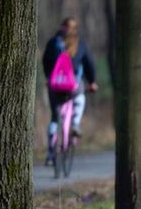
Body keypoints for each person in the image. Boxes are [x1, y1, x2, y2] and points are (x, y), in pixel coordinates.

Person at [42, 17, 99, 165]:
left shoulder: (53, 43)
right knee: (80, 98)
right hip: (73, 85)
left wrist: (49, 76)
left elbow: (45, 61)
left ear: (61, 27)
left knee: (55, 117)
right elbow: (89, 64)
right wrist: (92, 82)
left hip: (55, 84)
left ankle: (50, 153)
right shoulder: (79, 44)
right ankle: (75, 123)